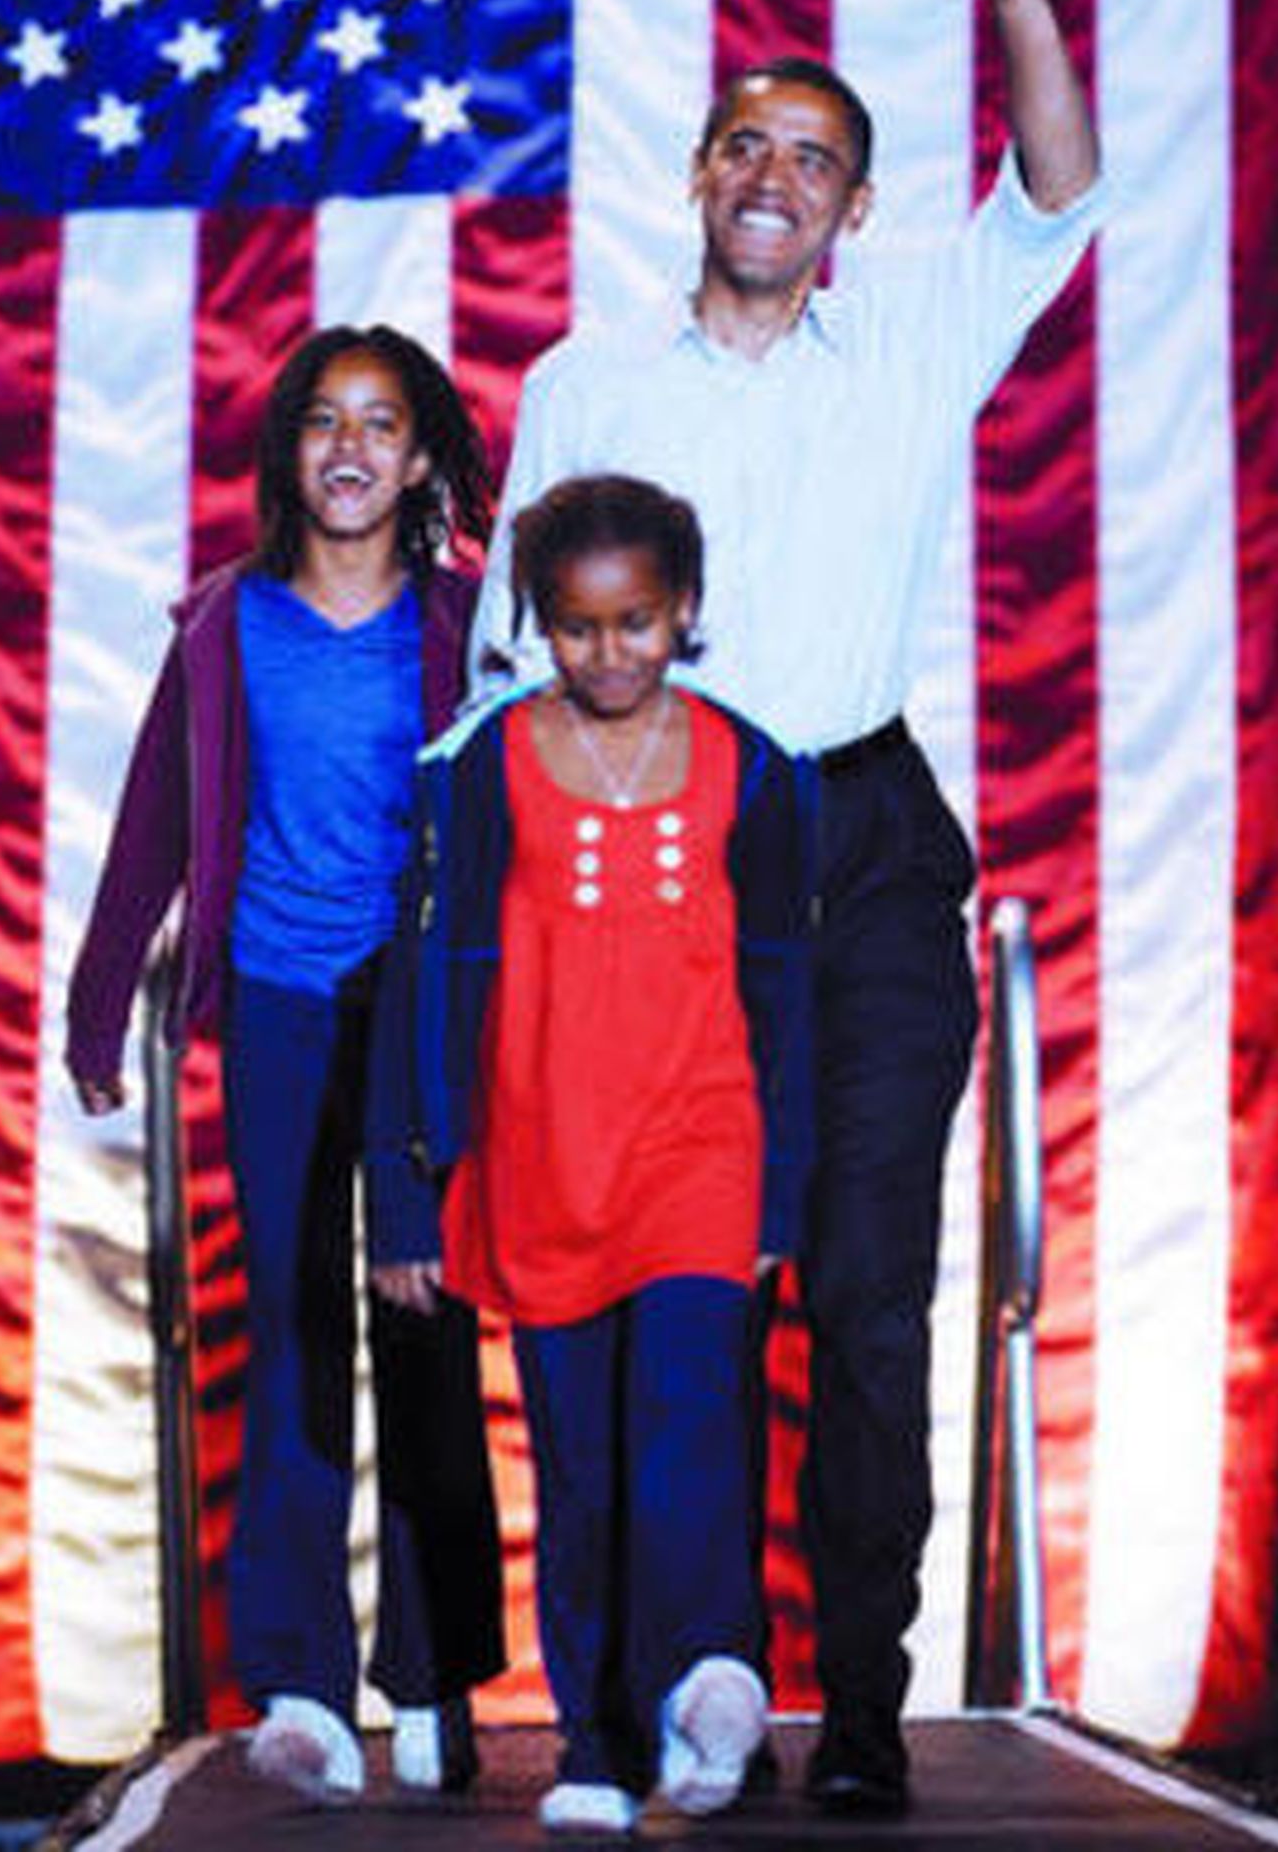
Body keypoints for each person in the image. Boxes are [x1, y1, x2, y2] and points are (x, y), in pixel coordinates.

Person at [467, 0, 1103, 1815]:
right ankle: (692, 1690)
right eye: (745, 145)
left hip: (864, 839)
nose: (772, 178)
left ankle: (865, 1707)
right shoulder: (588, 382)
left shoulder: (911, 333)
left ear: (851, 208)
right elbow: (508, 666)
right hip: (655, 854)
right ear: (696, 175)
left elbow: (1063, 191)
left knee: (865, 1288)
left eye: (812, 159)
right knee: (682, 1290)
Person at [66, 325, 506, 1801]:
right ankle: (302, 1679)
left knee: (427, 1329)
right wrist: (95, 1003)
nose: (350, 447)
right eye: (324, 420)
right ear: (287, 452)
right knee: (297, 1331)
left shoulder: (464, 624)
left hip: (420, 1022)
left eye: (382, 423)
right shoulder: (224, 624)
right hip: (281, 1009)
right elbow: (153, 823)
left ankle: (435, 1678)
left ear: (423, 460)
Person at [369, 474, 814, 1834]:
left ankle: (705, 1679)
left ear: (684, 611)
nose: (609, 652)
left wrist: (781, 1187)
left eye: (636, 623)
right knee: (581, 1473)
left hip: (700, 1151)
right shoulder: (481, 770)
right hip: (545, 1159)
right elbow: (420, 989)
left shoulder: (753, 766)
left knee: (689, 1427)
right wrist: (406, 1195)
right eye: (576, 626)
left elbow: (786, 994)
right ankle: (599, 1745)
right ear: (539, 624)